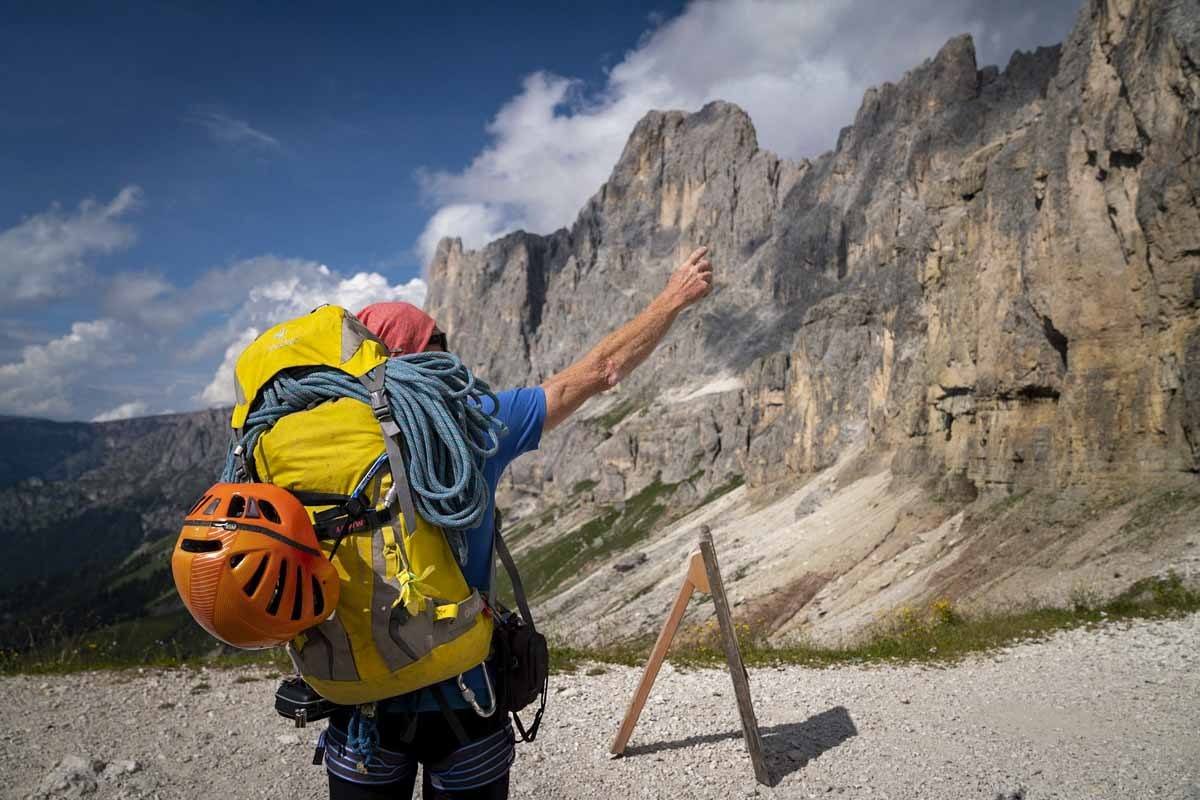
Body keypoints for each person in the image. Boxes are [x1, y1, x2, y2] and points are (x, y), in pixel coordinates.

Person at [326, 246, 714, 799]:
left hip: (358, 700)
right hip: (464, 697)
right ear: (423, 356)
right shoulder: (476, 426)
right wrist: (672, 299)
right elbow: (599, 371)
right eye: (439, 347)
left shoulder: (328, 449)